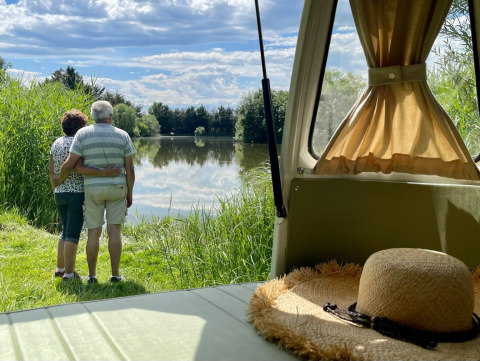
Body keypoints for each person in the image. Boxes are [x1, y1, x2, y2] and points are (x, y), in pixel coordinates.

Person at [59, 100, 136, 284]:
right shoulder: (123, 135)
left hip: (92, 188)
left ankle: (92, 276)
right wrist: (129, 193)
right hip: (117, 187)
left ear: (93, 117)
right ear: (110, 117)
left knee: (94, 232)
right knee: (114, 230)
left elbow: (73, 164)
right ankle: (115, 275)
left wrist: (57, 180)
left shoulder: (82, 134)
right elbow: (130, 170)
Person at [49, 109, 120, 282]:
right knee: (72, 234)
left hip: (60, 194)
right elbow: (71, 166)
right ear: (80, 126)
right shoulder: (78, 141)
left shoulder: (56, 142)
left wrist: (55, 184)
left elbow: (51, 169)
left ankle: (60, 269)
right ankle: (69, 274)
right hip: (76, 193)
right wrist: (103, 172)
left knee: (64, 231)